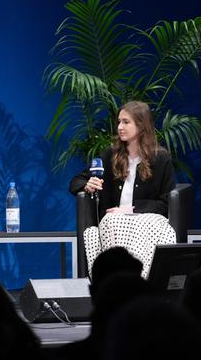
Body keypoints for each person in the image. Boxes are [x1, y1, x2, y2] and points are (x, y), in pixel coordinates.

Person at [69, 101, 177, 278]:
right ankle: (119, 280)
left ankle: (140, 280)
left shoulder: (161, 158)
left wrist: (132, 209)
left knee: (156, 228)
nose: (120, 127)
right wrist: (86, 184)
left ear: (141, 126)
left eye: (126, 122)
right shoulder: (110, 155)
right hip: (114, 220)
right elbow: (75, 182)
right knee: (113, 220)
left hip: (147, 220)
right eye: (119, 122)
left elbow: (165, 203)